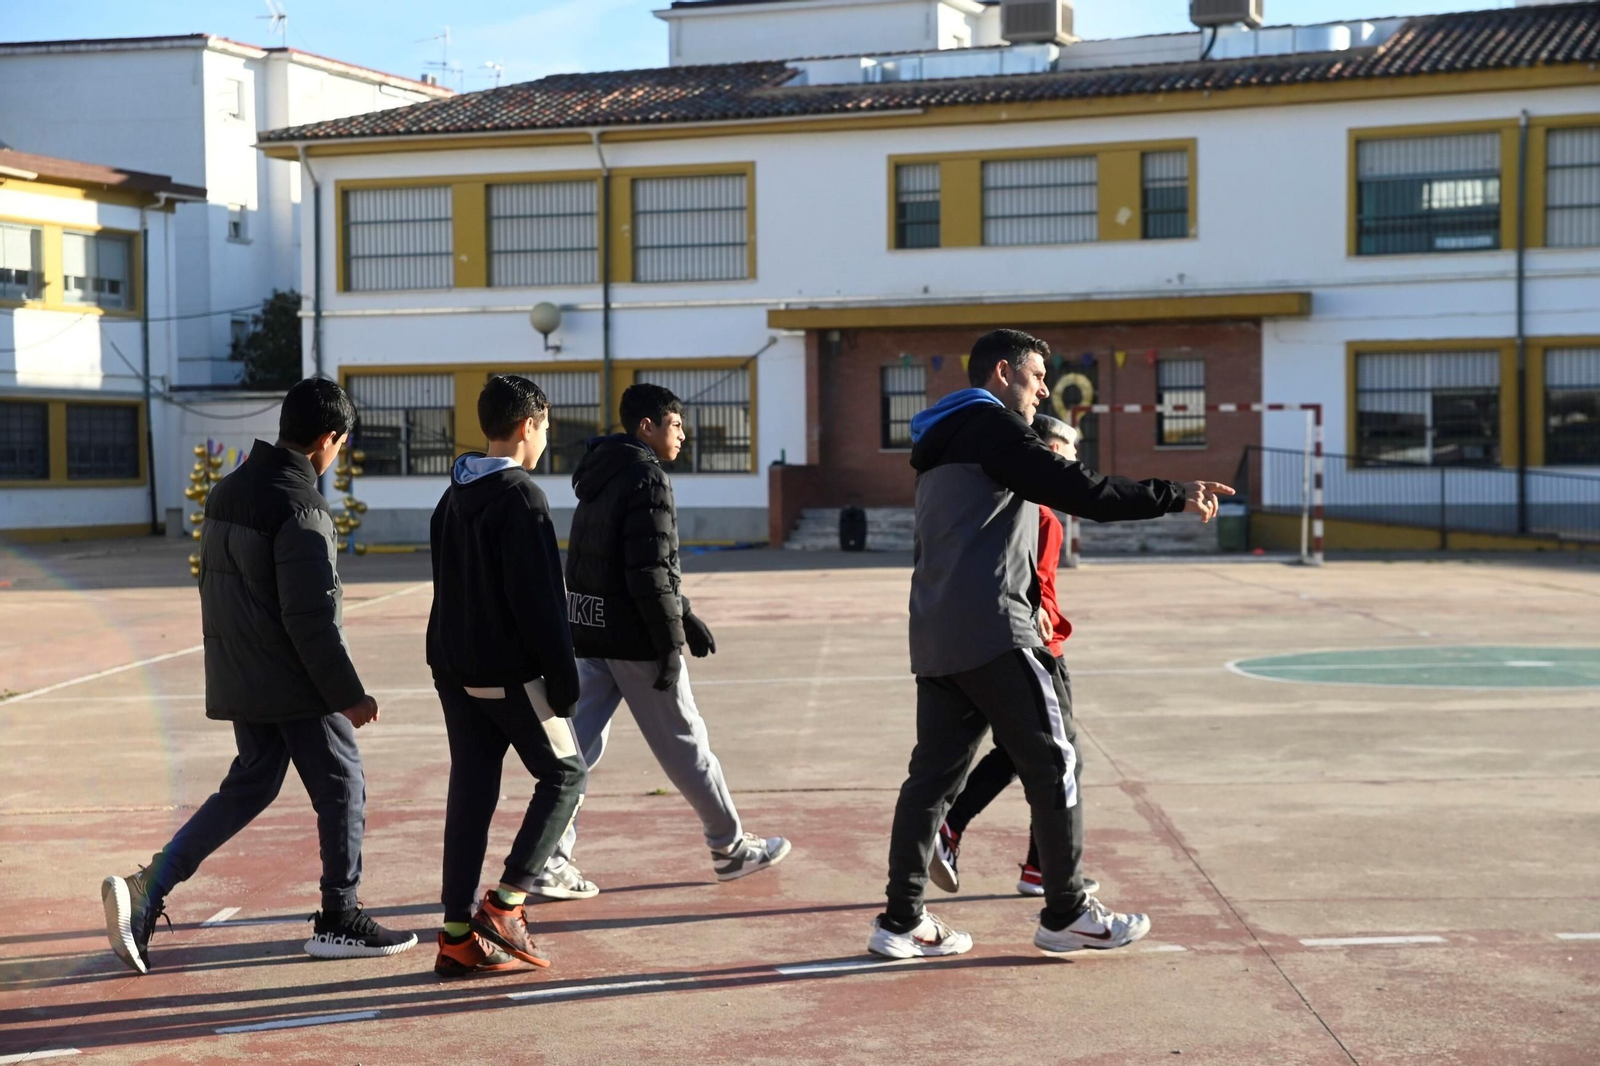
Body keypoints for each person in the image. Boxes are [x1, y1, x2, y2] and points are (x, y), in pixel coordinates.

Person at [868, 329, 1233, 959]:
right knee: (1055, 759)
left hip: (935, 634)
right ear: (1005, 372)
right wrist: (1174, 494)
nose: (1044, 391)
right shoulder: (997, 427)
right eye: (1038, 377)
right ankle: (1065, 909)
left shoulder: (939, 438)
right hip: (993, 628)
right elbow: (1081, 490)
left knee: (929, 781)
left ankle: (900, 922)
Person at [101, 378, 416, 974]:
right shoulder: (301, 506)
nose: (337, 455)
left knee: (253, 783)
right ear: (329, 438)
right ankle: (340, 917)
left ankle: (149, 887)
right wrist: (348, 695)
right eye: (340, 445)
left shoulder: (227, 491)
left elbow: (217, 589)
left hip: (244, 672)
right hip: (293, 676)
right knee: (342, 784)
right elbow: (310, 616)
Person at [545, 382, 788, 896]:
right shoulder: (646, 477)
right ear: (647, 427)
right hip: (634, 641)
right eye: (674, 423)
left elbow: (626, 562)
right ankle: (730, 848)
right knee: (686, 744)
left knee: (575, 754)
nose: (683, 433)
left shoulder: (598, 474)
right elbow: (649, 569)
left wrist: (685, 611)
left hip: (588, 633)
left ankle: (547, 858)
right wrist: (669, 642)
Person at [426, 374, 588, 978]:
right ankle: (506, 903)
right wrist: (563, 680)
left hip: (453, 667)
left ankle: (455, 936)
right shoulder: (522, 497)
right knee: (566, 774)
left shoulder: (451, 495)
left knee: (471, 792)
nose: (546, 439)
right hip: (508, 672)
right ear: (528, 426)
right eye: (545, 427)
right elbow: (542, 601)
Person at [929, 414, 1097, 900]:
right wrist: (1042, 615)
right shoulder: (1035, 512)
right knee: (1059, 760)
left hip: (1011, 643)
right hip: (1033, 649)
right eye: (1064, 456)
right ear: (1041, 453)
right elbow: (1026, 580)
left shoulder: (1027, 506)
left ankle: (1033, 865)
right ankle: (971, 837)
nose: (1072, 466)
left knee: (1017, 755)